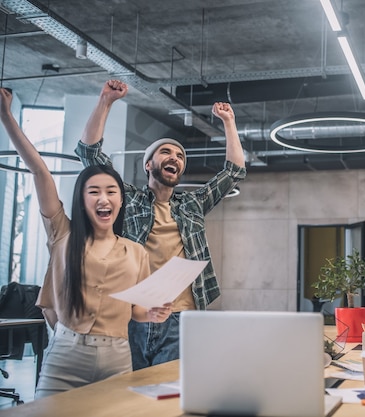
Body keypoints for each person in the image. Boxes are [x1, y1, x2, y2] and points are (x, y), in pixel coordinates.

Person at [0, 88, 172, 398]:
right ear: (82, 199)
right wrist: (6, 117)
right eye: (94, 191)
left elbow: (137, 311)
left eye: (111, 191)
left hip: (117, 358)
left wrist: (155, 312)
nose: (103, 198)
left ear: (121, 200)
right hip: (66, 355)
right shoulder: (63, 235)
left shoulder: (136, 252)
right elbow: (39, 171)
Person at [75, 80, 247, 370]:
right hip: (133, 315)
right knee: (129, 394)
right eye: (166, 153)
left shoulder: (192, 204)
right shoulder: (128, 199)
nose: (175, 158)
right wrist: (105, 101)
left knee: (168, 395)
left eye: (180, 156)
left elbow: (234, 172)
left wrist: (228, 122)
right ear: (148, 165)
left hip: (181, 316)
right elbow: (90, 155)